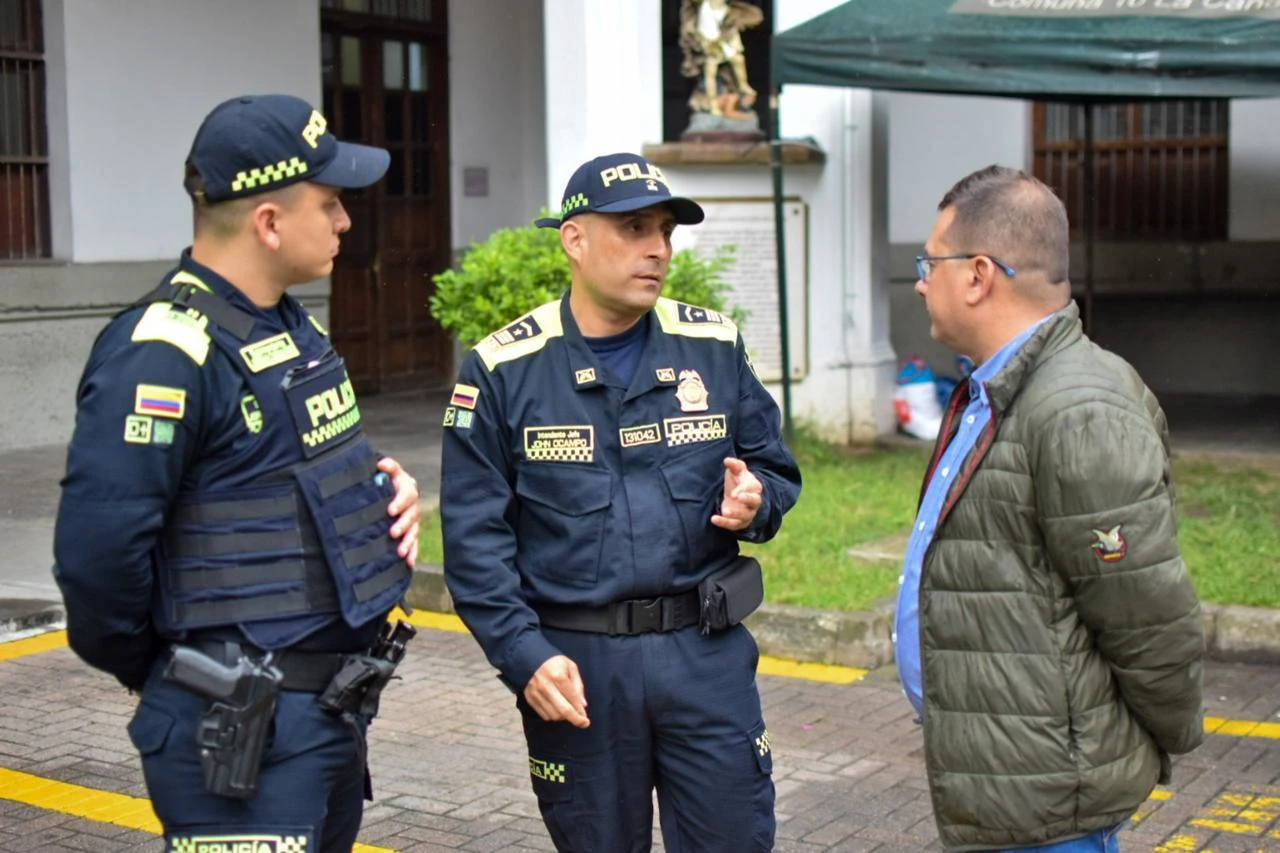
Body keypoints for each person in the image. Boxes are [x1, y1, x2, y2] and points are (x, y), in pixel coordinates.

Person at [53, 94, 423, 852]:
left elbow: (298, 474)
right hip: (235, 722)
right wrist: (172, 671)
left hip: (326, 712)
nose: (346, 222)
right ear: (269, 221)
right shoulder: (161, 352)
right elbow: (97, 562)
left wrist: (387, 491)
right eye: (331, 203)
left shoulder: (293, 328)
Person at [439, 152, 801, 852]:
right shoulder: (504, 371)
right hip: (578, 668)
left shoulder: (713, 345)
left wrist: (757, 501)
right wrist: (522, 656)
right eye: (634, 228)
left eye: (664, 230)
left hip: (705, 654)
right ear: (574, 239)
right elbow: (476, 542)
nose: (657, 249)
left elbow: (774, 470)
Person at [896, 165, 1205, 852]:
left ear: (978, 274)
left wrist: (1164, 736)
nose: (921, 280)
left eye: (930, 262)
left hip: (1050, 805)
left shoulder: (1077, 408)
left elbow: (1147, 613)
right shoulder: (995, 389)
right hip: (1011, 784)